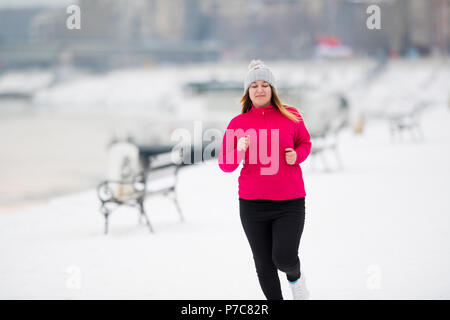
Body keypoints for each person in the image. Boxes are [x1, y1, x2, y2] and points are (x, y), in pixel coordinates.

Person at [218, 60, 312, 300]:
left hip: (289, 202)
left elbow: (305, 143)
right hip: (252, 204)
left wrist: (297, 155)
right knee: (263, 264)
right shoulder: (238, 124)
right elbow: (225, 164)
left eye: (265, 85)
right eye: (254, 86)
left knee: (284, 258)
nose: (260, 90)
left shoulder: (291, 115)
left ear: (272, 89)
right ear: (247, 92)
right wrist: (238, 150)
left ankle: (296, 279)